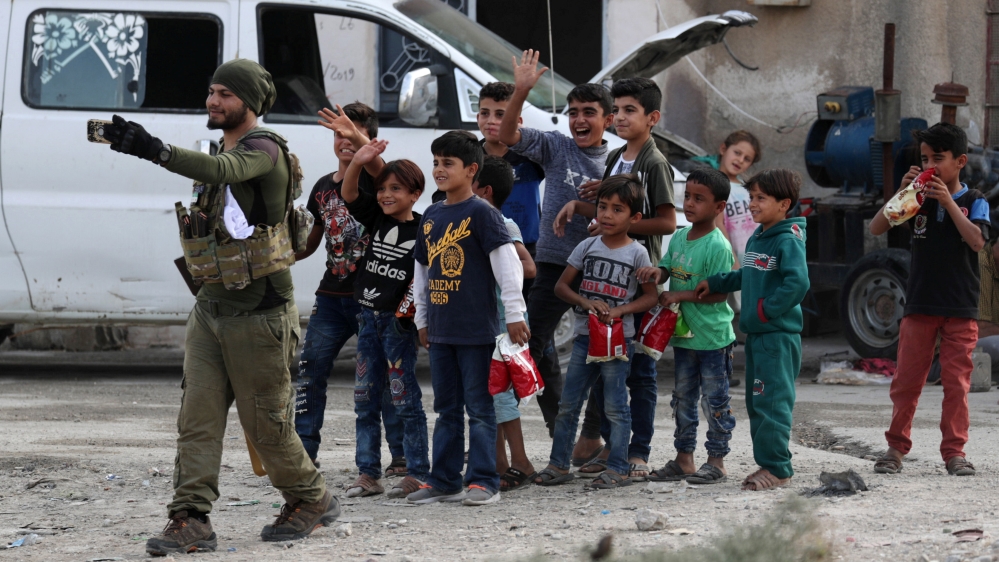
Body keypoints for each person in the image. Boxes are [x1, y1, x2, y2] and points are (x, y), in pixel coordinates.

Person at [103, 59, 338, 555]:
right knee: (197, 419)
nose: (213, 101)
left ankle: (311, 498)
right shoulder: (223, 149)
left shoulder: (264, 150)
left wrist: (154, 149)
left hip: (260, 315)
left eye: (225, 94)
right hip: (211, 308)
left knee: (266, 425)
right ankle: (190, 518)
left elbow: (222, 169)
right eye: (211, 91)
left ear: (249, 103)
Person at [553, 77, 676, 481]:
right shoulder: (618, 156)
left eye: (629, 111)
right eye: (617, 110)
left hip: (636, 278)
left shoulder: (654, 163)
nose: (620, 117)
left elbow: (665, 221)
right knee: (606, 372)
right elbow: (614, 207)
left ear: (652, 118)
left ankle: (636, 453)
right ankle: (609, 448)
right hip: (605, 285)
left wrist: (620, 229)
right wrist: (583, 205)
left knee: (637, 374)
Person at [498, 49, 613, 445]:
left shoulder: (618, 163)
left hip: (602, 271)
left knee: (604, 353)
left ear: (608, 120)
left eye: (589, 112)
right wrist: (521, 92)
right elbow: (508, 135)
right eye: (573, 111)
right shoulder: (556, 147)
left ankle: (592, 437)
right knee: (531, 342)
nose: (579, 119)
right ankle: (555, 427)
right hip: (552, 263)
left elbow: (635, 211)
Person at [409, 131, 529, 506]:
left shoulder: (482, 213)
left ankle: (483, 480)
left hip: (478, 331)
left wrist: (514, 313)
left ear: (471, 169)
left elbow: (509, 266)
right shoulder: (431, 215)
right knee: (446, 409)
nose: (439, 170)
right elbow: (422, 272)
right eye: (436, 162)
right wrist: (422, 320)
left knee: (480, 408)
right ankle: (444, 480)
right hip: (442, 332)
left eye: (448, 163)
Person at [868, 123, 988, 477]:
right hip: (920, 304)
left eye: (939, 158)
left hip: (960, 306)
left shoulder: (973, 200)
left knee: (956, 384)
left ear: (959, 161)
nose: (931, 165)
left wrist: (948, 202)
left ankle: (955, 452)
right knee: (906, 381)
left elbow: (978, 241)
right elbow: (877, 227)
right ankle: (895, 449)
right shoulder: (915, 200)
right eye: (924, 159)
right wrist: (904, 192)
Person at [294, 102, 407, 475]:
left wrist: (362, 146)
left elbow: (378, 166)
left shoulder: (381, 182)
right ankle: (302, 456)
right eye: (338, 133)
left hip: (374, 300)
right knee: (310, 372)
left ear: (370, 139)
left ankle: (400, 457)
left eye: (353, 133)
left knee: (383, 380)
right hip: (331, 297)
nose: (344, 140)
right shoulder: (323, 187)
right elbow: (308, 244)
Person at [532, 175, 657, 489]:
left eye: (617, 209)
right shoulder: (587, 245)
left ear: (635, 217)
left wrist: (619, 311)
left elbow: (651, 296)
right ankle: (558, 464)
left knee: (615, 405)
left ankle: (618, 467)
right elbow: (561, 286)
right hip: (585, 338)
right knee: (569, 404)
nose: (607, 215)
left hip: (617, 341)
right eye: (602, 207)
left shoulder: (638, 254)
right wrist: (585, 302)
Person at [695, 169, 809, 491]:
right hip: (760, 336)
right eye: (751, 197)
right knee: (758, 402)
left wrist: (764, 310)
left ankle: (777, 469)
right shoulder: (762, 235)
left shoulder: (787, 239)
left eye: (761, 198)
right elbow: (748, 272)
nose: (752, 204)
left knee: (771, 403)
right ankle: (769, 463)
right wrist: (718, 282)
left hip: (777, 336)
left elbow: (797, 283)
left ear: (784, 204)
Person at [336, 136, 431, 499]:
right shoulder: (376, 216)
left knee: (404, 396)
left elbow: (424, 280)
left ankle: (417, 471)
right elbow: (348, 194)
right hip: (368, 318)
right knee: (364, 397)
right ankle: (368, 473)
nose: (385, 195)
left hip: (398, 323)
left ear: (415, 194)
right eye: (382, 188)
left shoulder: (425, 229)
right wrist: (358, 162)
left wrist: (420, 321)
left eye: (396, 189)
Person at [636, 168, 737, 484]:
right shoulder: (679, 236)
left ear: (719, 207)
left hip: (713, 339)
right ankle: (684, 459)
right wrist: (657, 273)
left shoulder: (717, 245)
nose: (689, 204)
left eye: (699, 199)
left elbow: (719, 291)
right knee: (682, 398)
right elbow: (668, 268)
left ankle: (716, 461)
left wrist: (678, 293)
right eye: (687, 196)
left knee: (715, 400)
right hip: (684, 338)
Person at [471, 155, 539, 491]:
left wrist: (492, 267)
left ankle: (521, 462)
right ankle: (498, 463)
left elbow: (528, 268)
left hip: (503, 322)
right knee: (488, 394)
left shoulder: (503, 224)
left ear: (482, 190)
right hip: (482, 322)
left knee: (501, 395)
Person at [477, 81, 545, 298]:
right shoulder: (469, 157)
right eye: (484, 113)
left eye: (501, 114)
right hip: (479, 249)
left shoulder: (531, 157)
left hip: (526, 252)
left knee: (521, 323)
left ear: (518, 120)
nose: (491, 121)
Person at [692, 130, 762, 268]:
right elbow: (718, 225)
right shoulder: (714, 185)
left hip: (757, 259)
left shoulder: (748, 188)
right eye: (737, 153)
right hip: (733, 261)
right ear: (723, 149)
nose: (740, 160)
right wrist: (734, 262)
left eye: (747, 159)